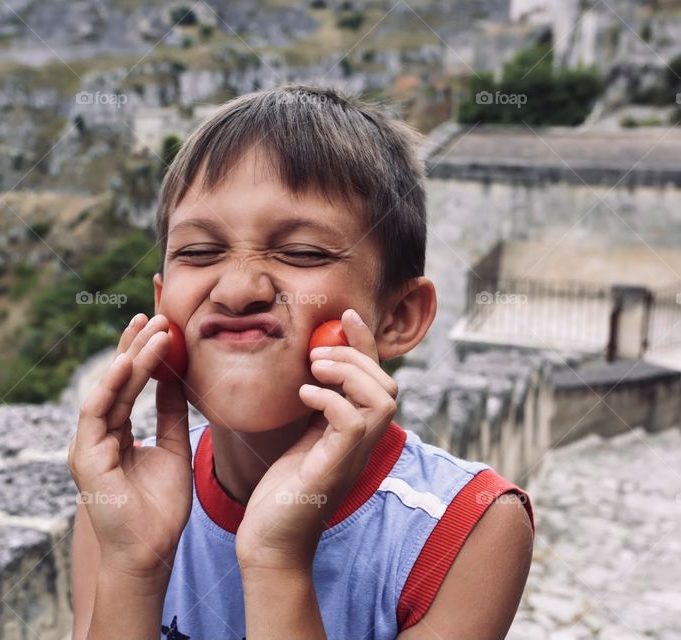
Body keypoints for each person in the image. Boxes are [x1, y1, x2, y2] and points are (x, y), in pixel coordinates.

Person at [67, 83, 534, 640]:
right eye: (199, 252)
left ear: (398, 316)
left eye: (303, 253)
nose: (239, 290)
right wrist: (133, 565)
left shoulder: (466, 529)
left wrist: (275, 560)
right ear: (161, 302)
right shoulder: (119, 502)